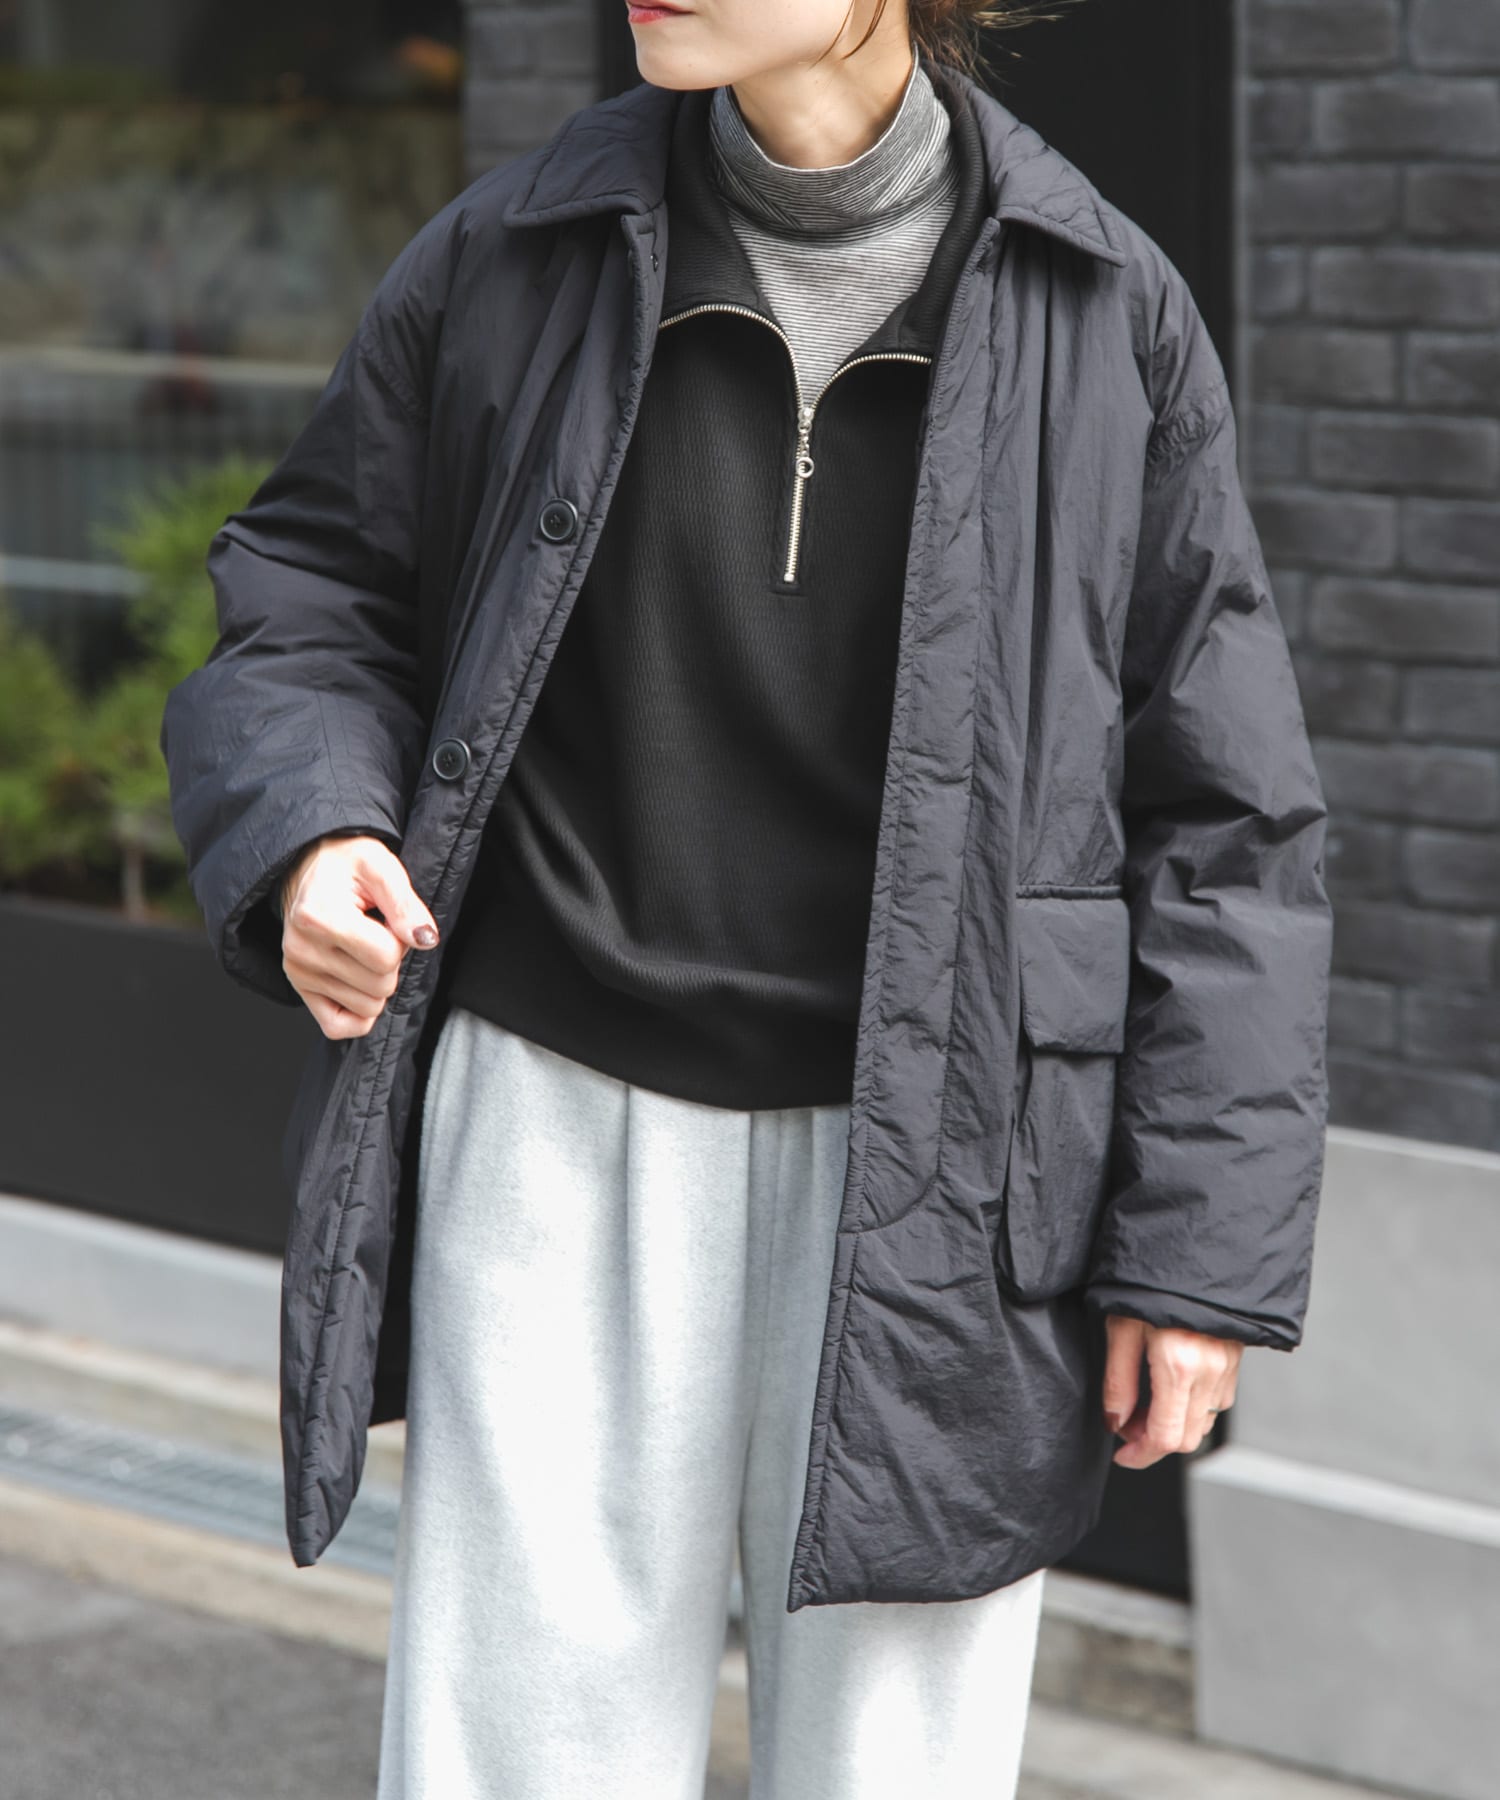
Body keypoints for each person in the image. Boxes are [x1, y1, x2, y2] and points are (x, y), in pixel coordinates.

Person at [160, 1, 1334, 1795]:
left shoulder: (1105, 312)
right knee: (515, 1762)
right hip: (549, 1124)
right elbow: (313, 589)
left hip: (946, 1165)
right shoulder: (514, 252)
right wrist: (318, 825)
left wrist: (1197, 1253)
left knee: (892, 1768)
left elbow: (1226, 816)